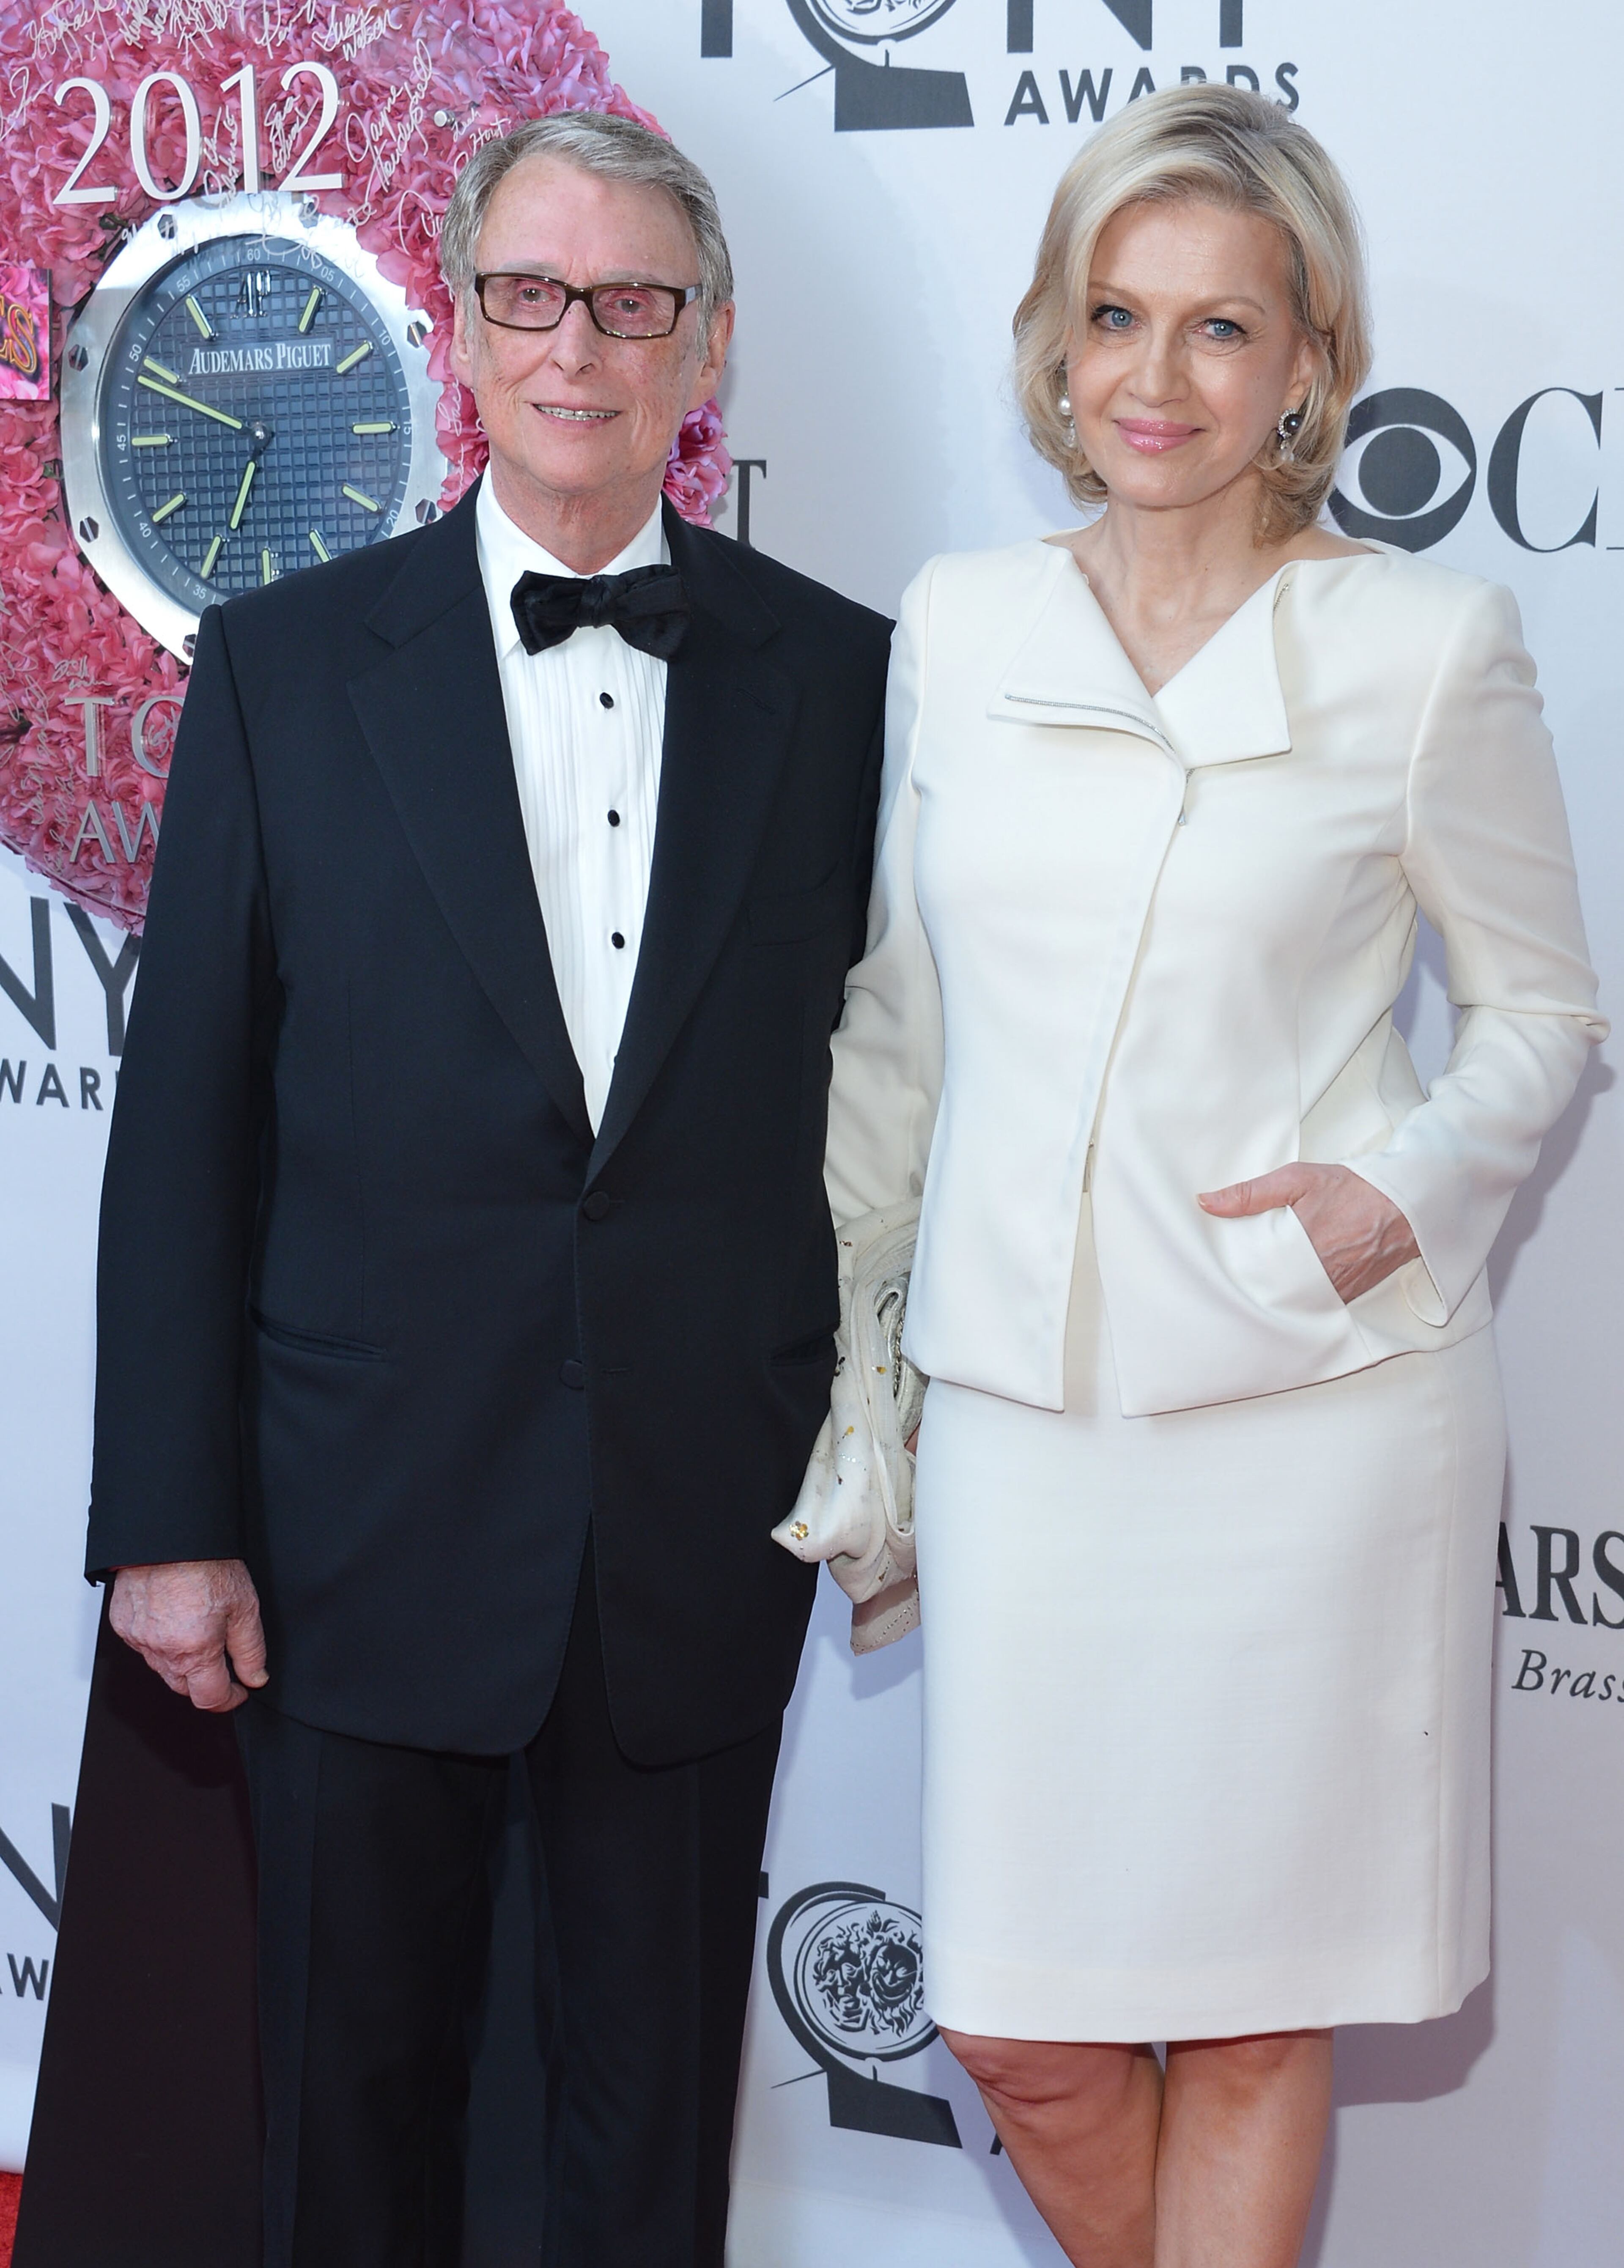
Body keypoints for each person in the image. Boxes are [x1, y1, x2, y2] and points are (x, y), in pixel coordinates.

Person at [88, 111, 889, 2268]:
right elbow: (185, 1123)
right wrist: (171, 1526)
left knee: (642, 2166)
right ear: (457, 326)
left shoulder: (843, 681)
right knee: (349, 2134)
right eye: (531, 294)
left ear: (703, 343)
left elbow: (890, 1105)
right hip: (359, 1529)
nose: (577, 348)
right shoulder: (281, 668)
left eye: (632, 304)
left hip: (697, 1535)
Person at [823, 84, 1603, 2268]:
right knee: (1024, 2033)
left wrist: (1406, 1188)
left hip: (1313, 1415)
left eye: (1221, 329)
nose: (1157, 378)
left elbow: (1548, 1010)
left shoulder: (1419, 649)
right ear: (1056, 351)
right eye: (1116, 317)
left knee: (1259, 2029)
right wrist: (858, 1370)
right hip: (1026, 1423)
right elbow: (903, 1017)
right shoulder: (964, 624)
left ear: (1306, 369)